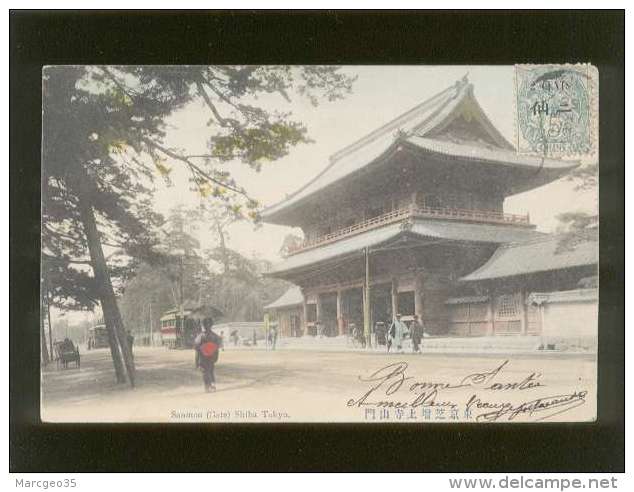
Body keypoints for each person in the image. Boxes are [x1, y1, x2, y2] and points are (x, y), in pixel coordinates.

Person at [194, 317, 222, 392]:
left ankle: (207, 387)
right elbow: (217, 348)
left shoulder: (200, 336)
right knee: (211, 371)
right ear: (211, 325)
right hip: (212, 356)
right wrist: (216, 357)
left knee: (205, 372)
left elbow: (197, 350)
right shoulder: (215, 336)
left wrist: (196, 362)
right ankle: (213, 386)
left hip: (203, 357)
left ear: (203, 326)